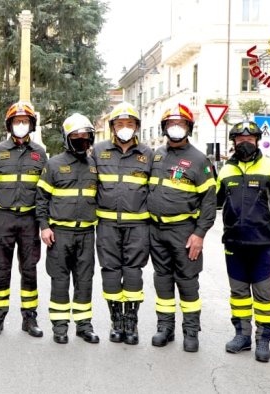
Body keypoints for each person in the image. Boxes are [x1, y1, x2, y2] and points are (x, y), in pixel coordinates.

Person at [217, 120, 270, 363]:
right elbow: (215, 202)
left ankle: (264, 338)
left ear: (256, 142)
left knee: (263, 294)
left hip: (263, 244)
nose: (244, 144)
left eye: (249, 140)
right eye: (240, 141)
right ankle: (242, 335)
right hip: (233, 243)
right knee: (238, 293)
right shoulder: (225, 170)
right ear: (233, 143)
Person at [147, 103, 216, 352]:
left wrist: (199, 234)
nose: (176, 128)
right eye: (171, 124)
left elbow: (209, 202)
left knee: (187, 281)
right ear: (164, 128)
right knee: (162, 280)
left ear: (189, 127)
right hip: (157, 231)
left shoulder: (199, 160)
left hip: (184, 232)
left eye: (181, 124)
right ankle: (165, 328)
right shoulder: (156, 155)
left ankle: (190, 331)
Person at [91, 102, 153, 345]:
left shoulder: (148, 155)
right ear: (112, 127)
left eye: (129, 124)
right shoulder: (97, 152)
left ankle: (131, 320)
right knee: (110, 272)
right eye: (120, 124)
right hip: (106, 225)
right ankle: (116, 320)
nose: (124, 128)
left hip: (138, 226)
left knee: (133, 272)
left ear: (137, 127)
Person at [0, 101, 48, 338]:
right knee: (1, 269)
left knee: (29, 269)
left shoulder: (39, 153)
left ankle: (29, 318)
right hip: (3, 218)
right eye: (16, 121)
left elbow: (44, 189)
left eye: (25, 121)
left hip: (29, 220)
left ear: (31, 125)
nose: (20, 125)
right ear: (9, 125)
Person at [36, 113, 99, 345]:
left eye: (86, 136)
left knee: (85, 280)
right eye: (76, 136)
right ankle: (60, 327)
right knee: (60, 280)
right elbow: (41, 199)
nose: (82, 139)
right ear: (67, 138)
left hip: (86, 234)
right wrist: (44, 227)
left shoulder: (94, 165)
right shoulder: (53, 164)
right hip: (59, 234)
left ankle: (84, 326)